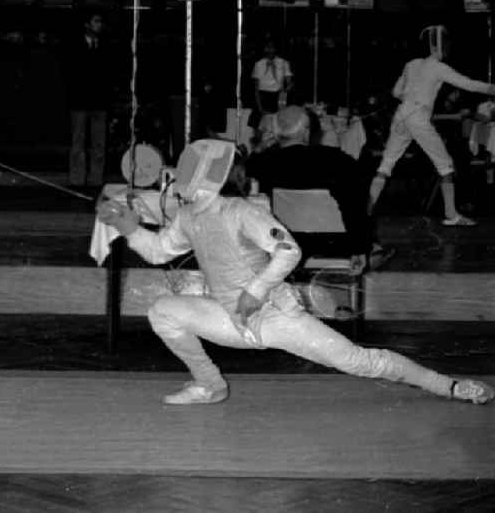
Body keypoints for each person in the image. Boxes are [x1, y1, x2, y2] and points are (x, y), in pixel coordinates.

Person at [96, 138, 493, 406]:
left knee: (360, 361)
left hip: (275, 316)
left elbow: (289, 250)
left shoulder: (242, 211)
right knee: (163, 310)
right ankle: (210, 384)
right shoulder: (187, 217)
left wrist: (255, 291)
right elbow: (158, 251)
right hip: (228, 318)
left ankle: (449, 386)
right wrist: (128, 225)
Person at [368, 25, 495, 226]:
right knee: (446, 166)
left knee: (386, 165)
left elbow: (395, 92)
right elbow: (468, 84)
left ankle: (366, 211)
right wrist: (491, 88)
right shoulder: (438, 67)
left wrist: (412, 96)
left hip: (401, 115)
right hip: (418, 118)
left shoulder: (411, 64)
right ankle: (451, 215)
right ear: (440, 45)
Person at [247, 106, 393, 272]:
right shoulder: (337, 160)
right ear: (306, 133)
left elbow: (247, 176)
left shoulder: (261, 164)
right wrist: (359, 249)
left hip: (284, 242)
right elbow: (355, 206)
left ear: (276, 134)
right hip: (336, 244)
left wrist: (259, 149)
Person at [64, 9, 112, 188]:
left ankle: (96, 180)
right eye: (96, 22)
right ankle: (77, 179)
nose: (99, 25)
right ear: (87, 25)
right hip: (80, 101)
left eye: (100, 22)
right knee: (78, 143)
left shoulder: (105, 45)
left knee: (98, 144)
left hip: (99, 101)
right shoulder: (75, 46)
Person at [251, 39, 293, 128]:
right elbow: (256, 89)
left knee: (276, 126)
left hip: (278, 97)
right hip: (262, 97)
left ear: (276, 49)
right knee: (258, 126)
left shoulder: (284, 63)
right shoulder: (258, 64)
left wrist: (286, 90)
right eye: (267, 47)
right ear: (264, 49)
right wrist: (260, 108)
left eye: (272, 47)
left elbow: (289, 83)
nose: (270, 50)